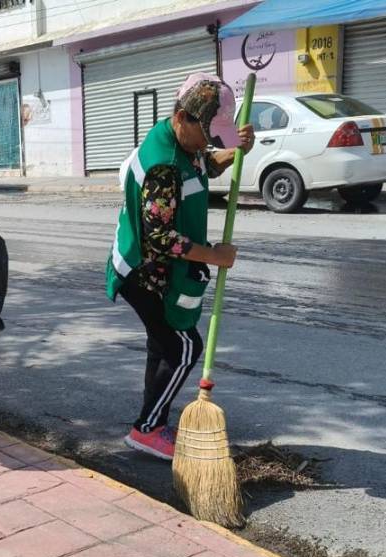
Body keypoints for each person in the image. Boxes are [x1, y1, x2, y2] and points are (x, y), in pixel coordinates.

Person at [106, 72, 255, 460]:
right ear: (183, 118)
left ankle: (152, 420)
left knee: (164, 345)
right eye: (207, 132)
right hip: (142, 271)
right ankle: (147, 429)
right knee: (186, 348)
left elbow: (203, 163)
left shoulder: (180, 142)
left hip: (157, 270)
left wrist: (232, 151)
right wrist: (215, 256)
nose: (209, 140)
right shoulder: (163, 166)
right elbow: (160, 238)